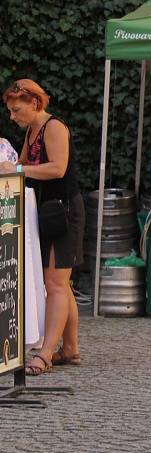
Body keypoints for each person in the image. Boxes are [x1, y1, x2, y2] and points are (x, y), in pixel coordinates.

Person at [0, 79, 84, 375]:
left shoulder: (54, 127)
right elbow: (21, 162)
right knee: (62, 282)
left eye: (16, 110)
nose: (12, 116)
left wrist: (18, 169)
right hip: (47, 211)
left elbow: (57, 168)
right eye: (10, 111)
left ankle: (46, 353)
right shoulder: (32, 130)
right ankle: (70, 348)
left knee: (56, 284)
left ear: (35, 103)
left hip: (64, 211)